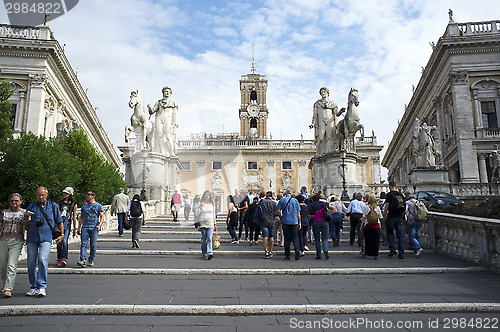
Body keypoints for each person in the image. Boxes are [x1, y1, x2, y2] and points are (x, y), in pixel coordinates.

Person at [25, 187, 64, 297]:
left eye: (42, 195)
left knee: (42, 259)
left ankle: (42, 286)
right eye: (38, 195)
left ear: (46, 195)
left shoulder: (52, 206)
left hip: (46, 236)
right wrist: (27, 220)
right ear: (36, 195)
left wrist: (62, 234)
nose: (41, 197)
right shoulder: (32, 206)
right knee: (31, 262)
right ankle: (33, 286)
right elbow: (26, 225)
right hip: (32, 236)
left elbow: (59, 221)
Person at [0, 193, 26, 298]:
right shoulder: (4, 213)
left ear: (20, 201)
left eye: (16, 200)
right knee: (2, 265)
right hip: (3, 240)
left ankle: (8, 288)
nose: (14, 203)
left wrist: (28, 221)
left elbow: (27, 226)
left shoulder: (24, 213)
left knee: (11, 265)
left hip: (17, 240)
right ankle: (3, 283)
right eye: (12, 201)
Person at [310, 87, 345, 155]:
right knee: (320, 138)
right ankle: (320, 153)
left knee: (329, 137)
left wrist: (340, 111)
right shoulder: (317, 104)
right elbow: (315, 115)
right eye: (321, 92)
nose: (323, 93)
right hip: (321, 120)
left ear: (327, 93)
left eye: (324, 92)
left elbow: (336, 113)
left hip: (330, 120)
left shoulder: (332, 103)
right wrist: (312, 123)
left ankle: (329, 153)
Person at [148, 86, 178, 155]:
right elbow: (152, 112)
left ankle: (171, 152)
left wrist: (175, 122)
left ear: (170, 93)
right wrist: (149, 107)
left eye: (168, 92)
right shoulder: (159, 103)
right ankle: (161, 152)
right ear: (163, 93)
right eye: (166, 91)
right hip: (159, 118)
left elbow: (175, 113)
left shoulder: (173, 102)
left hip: (168, 119)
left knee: (167, 135)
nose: (167, 93)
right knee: (159, 135)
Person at [77, 190, 104, 268]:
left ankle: (91, 259)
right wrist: (79, 227)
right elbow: (81, 217)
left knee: (93, 245)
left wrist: (99, 225)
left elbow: (102, 216)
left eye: (88, 195)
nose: (87, 196)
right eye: (87, 194)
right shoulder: (84, 206)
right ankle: (83, 260)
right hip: (85, 226)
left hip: (94, 227)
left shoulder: (98, 206)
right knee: (83, 244)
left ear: (93, 196)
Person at [276, 190, 301, 260]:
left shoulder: (282, 200)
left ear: (285, 194)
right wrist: (300, 222)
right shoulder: (295, 201)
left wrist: (281, 217)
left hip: (285, 221)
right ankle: (297, 249)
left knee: (286, 238)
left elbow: (277, 211)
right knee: (295, 237)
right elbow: (298, 212)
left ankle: (287, 254)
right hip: (294, 221)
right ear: (291, 194)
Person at [383, 181, 406, 259]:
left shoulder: (389, 195)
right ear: (395, 186)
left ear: (389, 187)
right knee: (400, 236)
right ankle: (401, 253)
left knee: (390, 233)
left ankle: (392, 249)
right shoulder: (400, 194)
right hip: (400, 216)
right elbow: (404, 206)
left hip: (392, 216)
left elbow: (387, 205)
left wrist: (384, 215)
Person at [56, 187, 77, 267]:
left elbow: (74, 217)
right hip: (59, 224)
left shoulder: (73, 204)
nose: (64, 194)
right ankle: (59, 258)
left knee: (64, 241)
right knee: (59, 242)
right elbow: (56, 214)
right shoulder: (60, 203)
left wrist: (75, 228)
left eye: (66, 193)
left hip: (67, 224)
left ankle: (64, 258)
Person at [307, 193, 332, 259]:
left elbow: (308, 214)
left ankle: (319, 254)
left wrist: (312, 216)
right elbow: (333, 208)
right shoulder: (323, 204)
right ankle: (325, 250)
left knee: (317, 239)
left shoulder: (311, 205)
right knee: (325, 238)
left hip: (315, 221)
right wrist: (329, 214)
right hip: (324, 221)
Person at [195, 190, 217, 260]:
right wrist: (200, 207)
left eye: (208, 195)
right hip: (203, 223)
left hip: (210, 223)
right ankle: (204, 253)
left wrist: (215, 223)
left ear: (210, 196)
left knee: (209, 238)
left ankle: (210, 252)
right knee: (204, 239)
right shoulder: (200, 203)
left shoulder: (212, 204)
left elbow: (213, 214)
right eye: (206, 195)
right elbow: (196, 213)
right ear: (204, 196)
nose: (207, 196)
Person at [405, 192, 426, 258]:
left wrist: (406, 219)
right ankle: (416, 250)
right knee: (417, 235)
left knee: (412, 236)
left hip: (412, 220)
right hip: (419, 220)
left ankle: (418, 248)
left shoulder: (408, 202)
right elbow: (426, 211)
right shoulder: (420, 202)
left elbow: (405, 211)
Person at [258, 191, 277, 259]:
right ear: (271, 196)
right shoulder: (274, 202)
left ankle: (266, 251)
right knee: (271, 236)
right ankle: (270, 251)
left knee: (265, 236)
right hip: (272, 220)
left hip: (264, 220)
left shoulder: (262, 202)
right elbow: (276, 211)